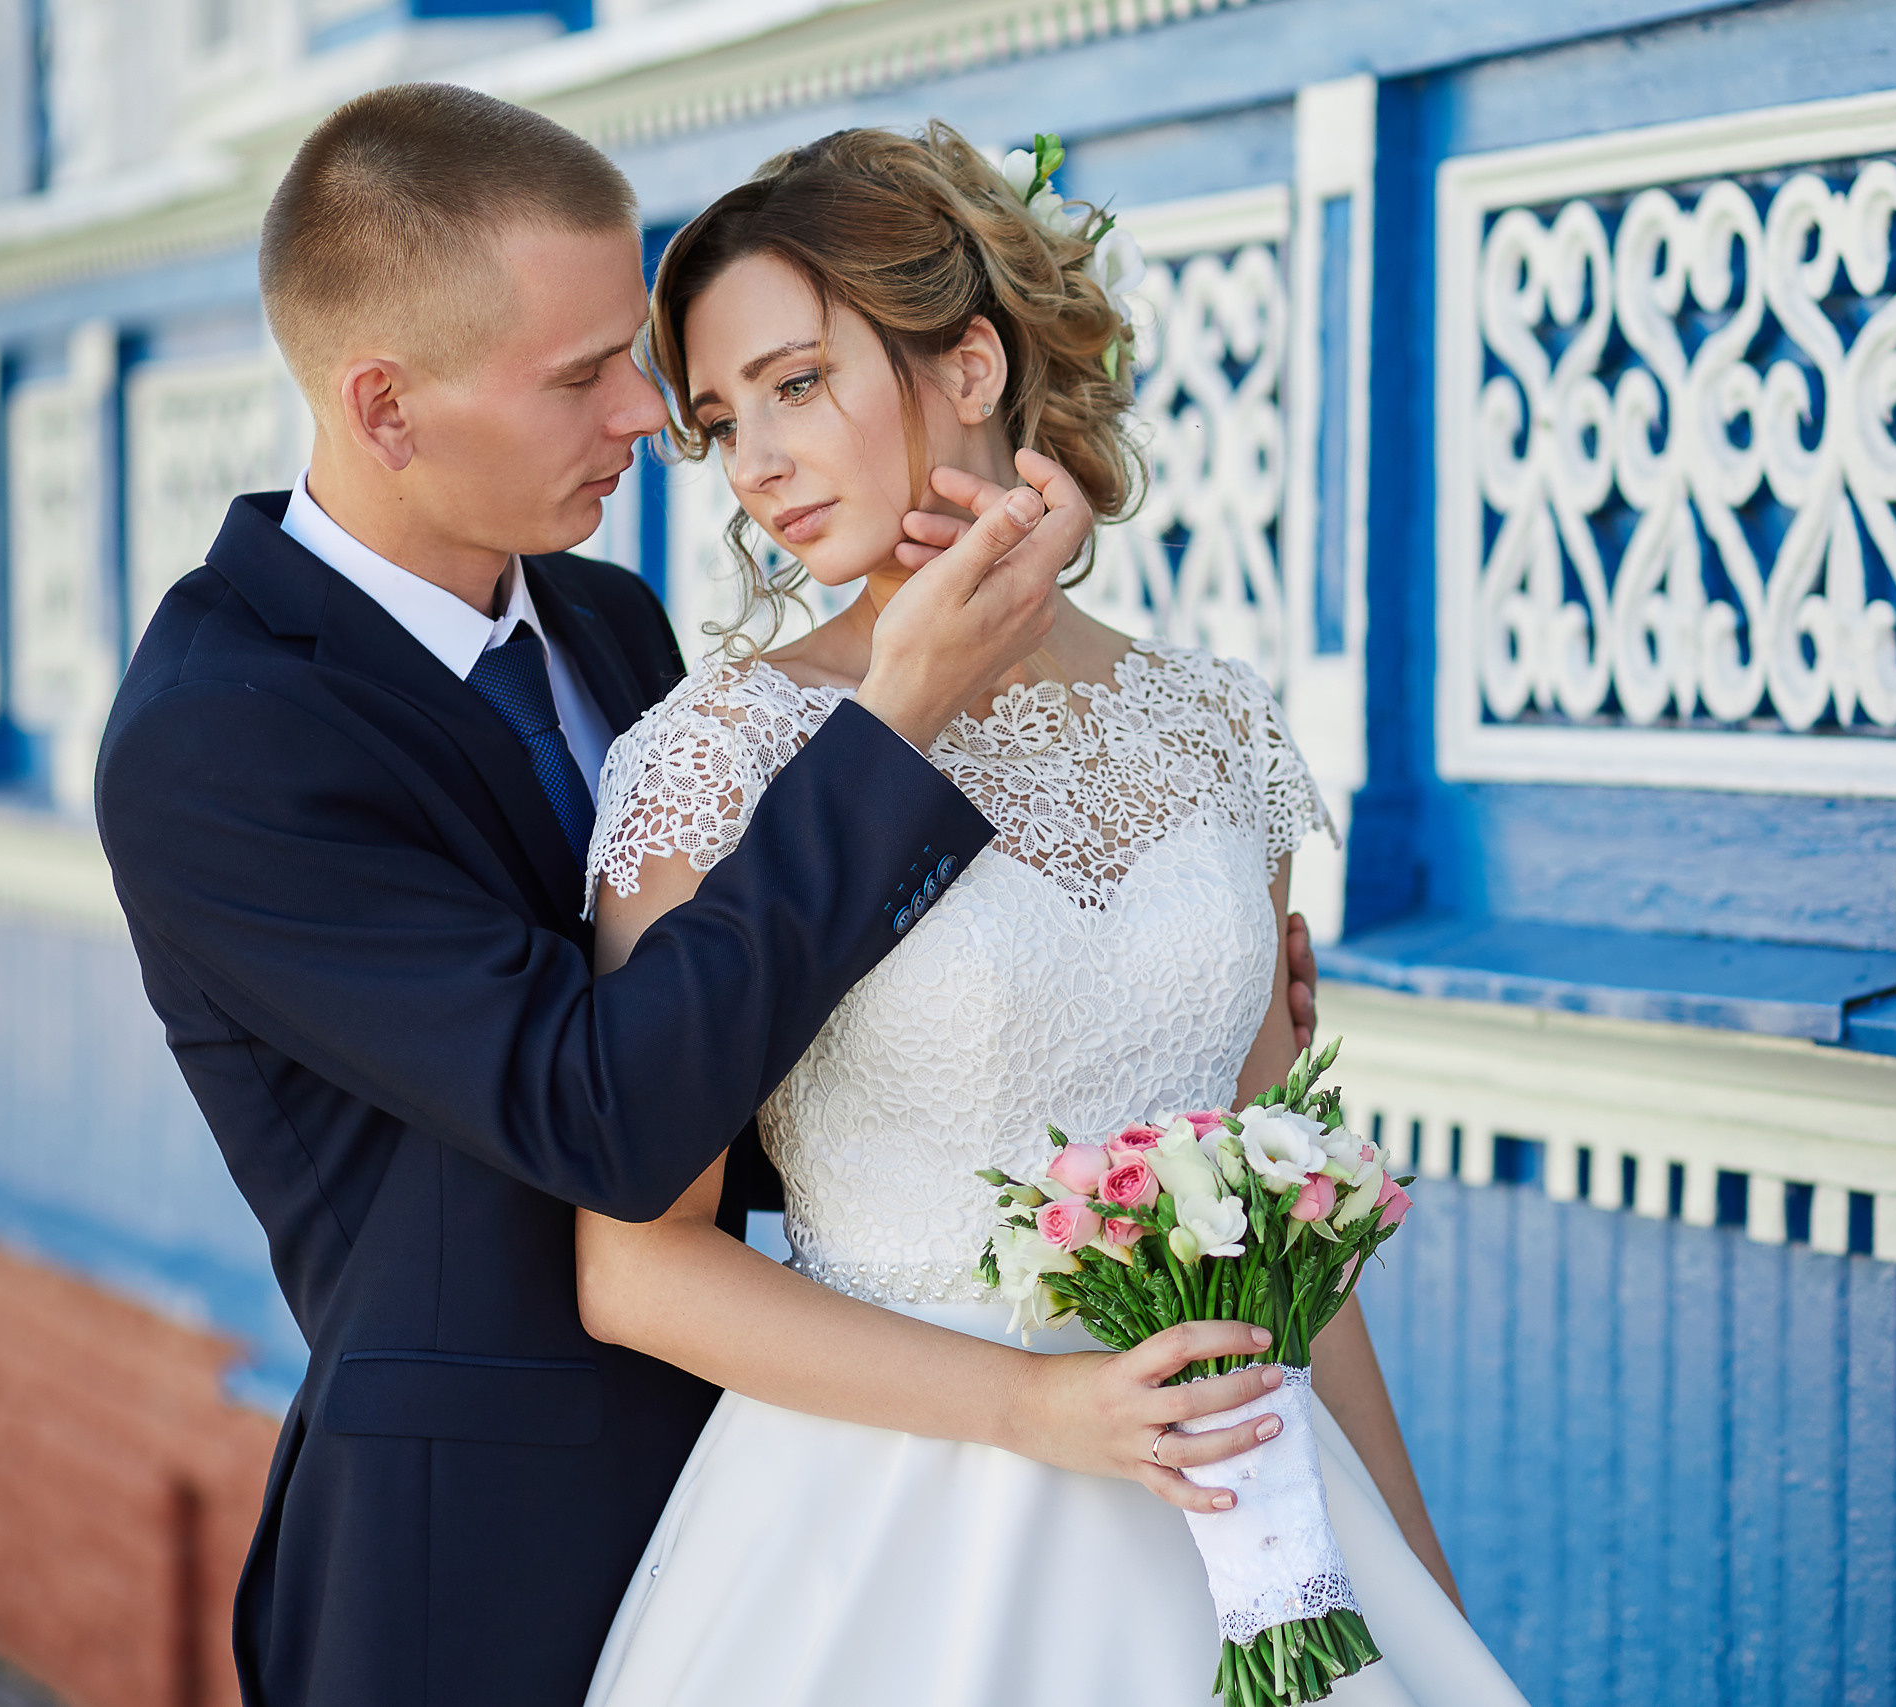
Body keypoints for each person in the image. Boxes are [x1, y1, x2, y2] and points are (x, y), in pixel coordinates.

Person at [94, 86, 1317, 1707]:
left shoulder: (602, 623)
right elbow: (602, 1105)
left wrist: (1140, 1002)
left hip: (807, 1468)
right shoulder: (217, 737)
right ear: (385, 408)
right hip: (478, 1557)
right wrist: (904, 717)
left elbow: (771, 1029)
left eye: (652, 369)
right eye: (589, 376)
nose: (656, 428)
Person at [570, 123, 1529, 1706]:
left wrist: (1413, 1589)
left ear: (967, 360)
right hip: (876, 1539)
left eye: (798, 384)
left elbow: (1283, 1228)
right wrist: (1037, 1409)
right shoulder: (710, 762)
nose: (754, 464)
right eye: (725, 419)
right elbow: (638, 1271)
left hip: (1235, 1503)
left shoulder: (1219, 731)